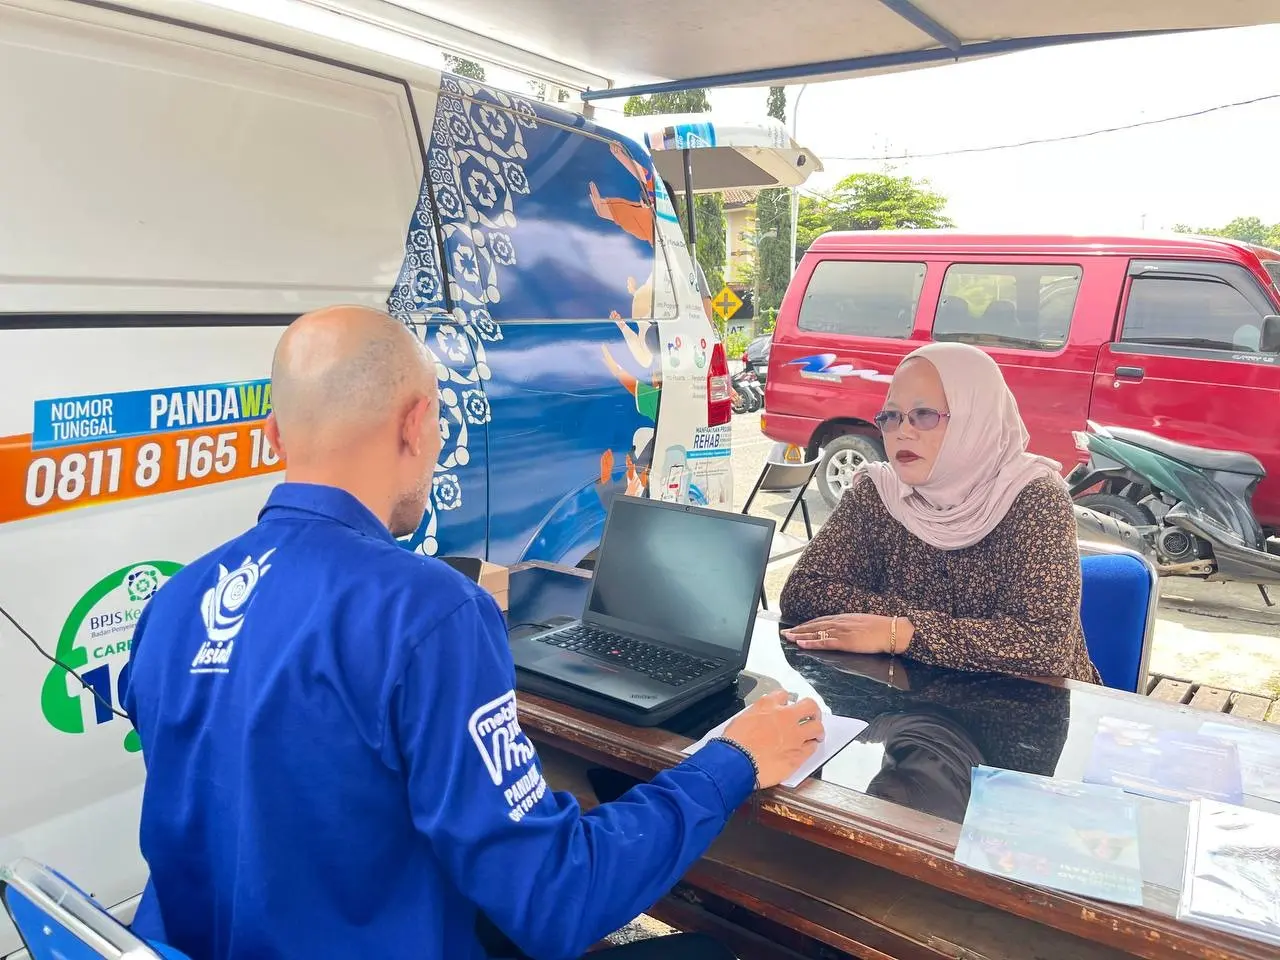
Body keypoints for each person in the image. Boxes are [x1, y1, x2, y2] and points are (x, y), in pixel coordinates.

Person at [122, 305, 824, 960]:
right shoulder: (431, 615)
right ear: (416, 423)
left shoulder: (176, 602)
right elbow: (558, 899)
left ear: (274, 436)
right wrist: (730, 761)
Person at [778, 341, 1100, 684]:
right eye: (891, 417)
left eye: (924, 415)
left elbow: (1043, 646)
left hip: (1034, 707)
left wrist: (900, 634)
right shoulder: (880, 492)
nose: (902, 431)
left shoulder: (1034, 497)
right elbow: (803, 592)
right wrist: (914, 632)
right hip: (913, 700)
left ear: (976, 419)